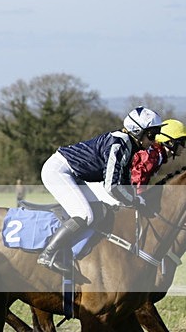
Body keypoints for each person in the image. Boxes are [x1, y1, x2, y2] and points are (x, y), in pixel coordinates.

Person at [36, 106, 165, 273]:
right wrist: (134, 200)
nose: (154, 140)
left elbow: (123, 182)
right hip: (59, 171)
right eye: (151, 135)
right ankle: (48, 254)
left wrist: (134, 199)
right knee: (85, 215)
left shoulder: (128, 145)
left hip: (76, 175)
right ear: (137, 131)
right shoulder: (118, 144)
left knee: (108, 207)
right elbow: (112, 186)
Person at [131, 118, 186, 193]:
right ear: (171, 142)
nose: (184, 147)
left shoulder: (158, 155)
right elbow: (137, 178)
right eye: (182, 143)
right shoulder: (152, 156)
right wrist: (138, 199)